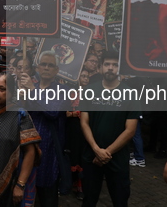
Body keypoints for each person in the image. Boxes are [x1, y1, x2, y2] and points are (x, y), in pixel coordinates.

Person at [80, 50, 141, 207]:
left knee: (120, 199)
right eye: (107, 64)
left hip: (117, 158)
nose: (110, 68)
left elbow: (130, 130)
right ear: (101, 67)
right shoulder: (89, 90)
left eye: (115, 65)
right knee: (89, 200)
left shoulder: (130, 93)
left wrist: (106, 153)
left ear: (119, 69)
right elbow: (84, 122)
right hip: (91, 156)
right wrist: (96, 149)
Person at [0, 73, 41, 207]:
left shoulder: (19, 114)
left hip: (9, 182)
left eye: (2, 89)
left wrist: (20, 185)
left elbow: (30, 152)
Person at [18, 51, 69, 206]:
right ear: (38, 67)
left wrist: (32, 91)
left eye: (50, 65)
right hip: (26, 148)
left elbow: (52, 111)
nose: (46, 68)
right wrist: (21, 95)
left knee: (47, 196)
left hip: (48, 152)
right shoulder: (27, 85)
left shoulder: (62, 90)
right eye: (43, 64)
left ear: (56, 70)